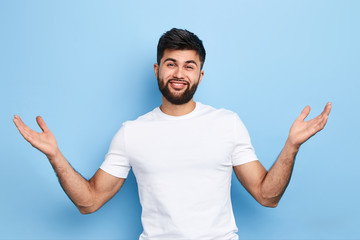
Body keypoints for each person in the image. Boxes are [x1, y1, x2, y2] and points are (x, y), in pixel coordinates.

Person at [13, 28, 332, 240]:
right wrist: (55, 155)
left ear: (200, 75)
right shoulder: (131, 133)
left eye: (189, 66)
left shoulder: (227, 123)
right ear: (157, 69)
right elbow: (90, 202)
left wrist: (291, 146)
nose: (179, 73)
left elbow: (267, 196)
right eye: (171, 63)